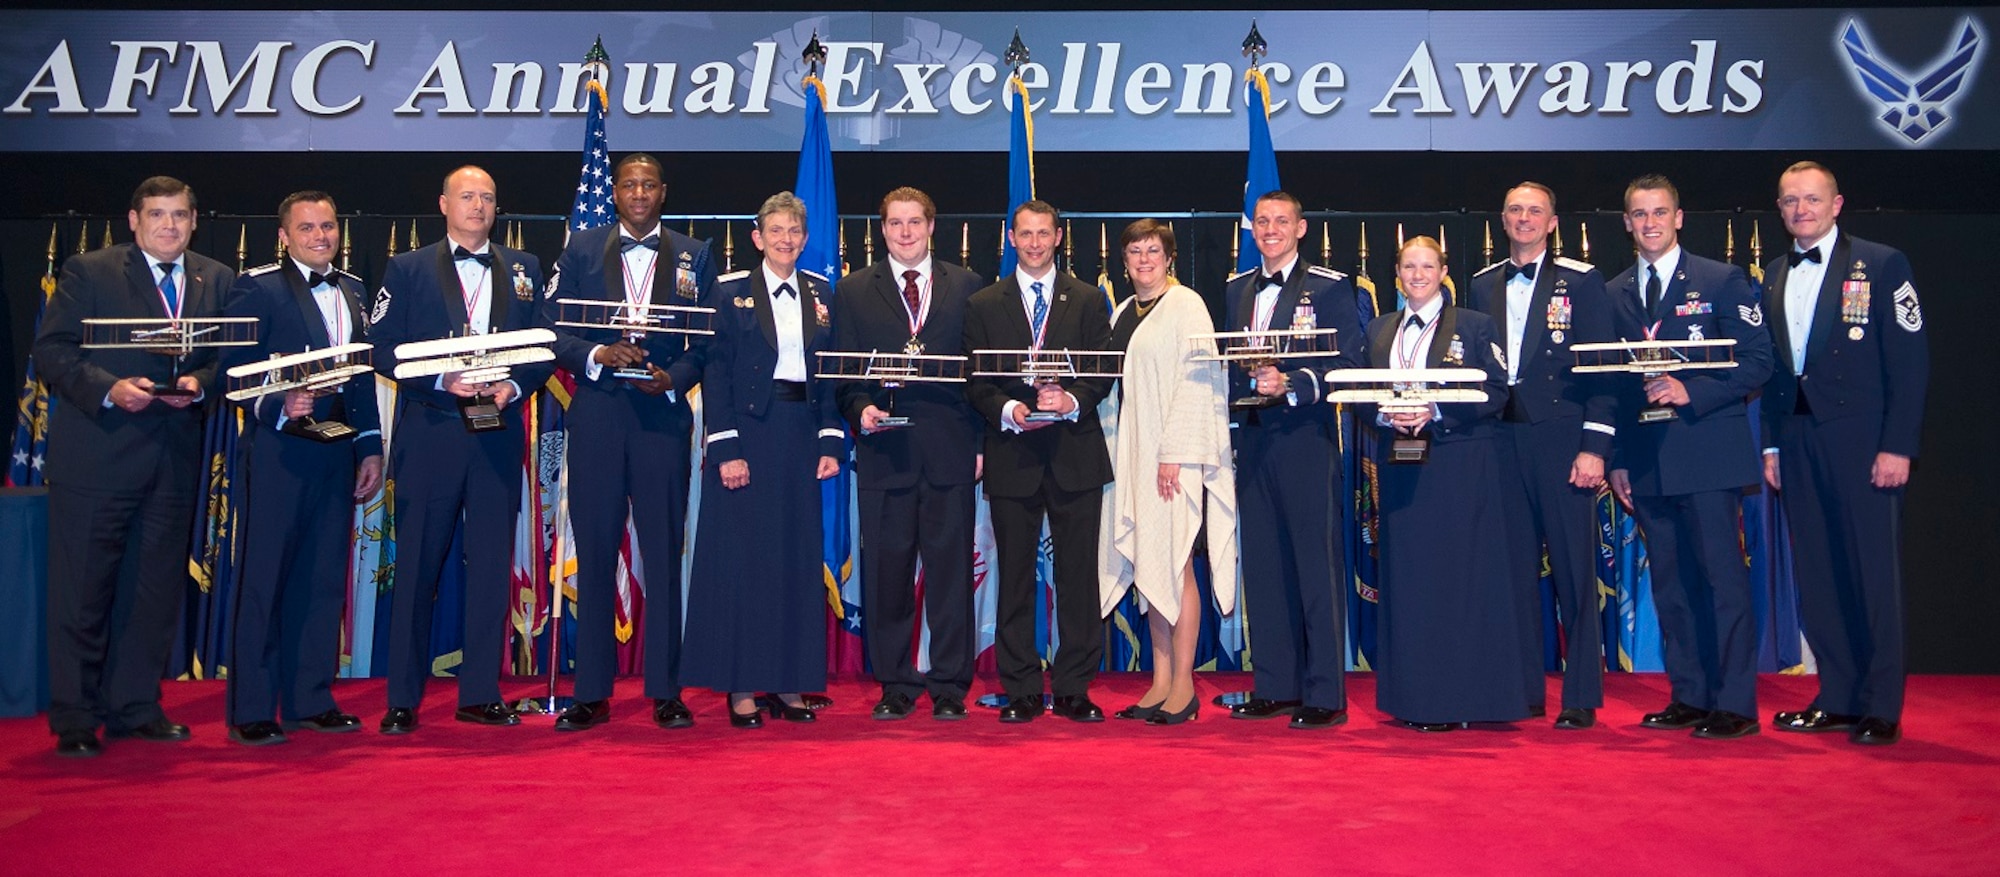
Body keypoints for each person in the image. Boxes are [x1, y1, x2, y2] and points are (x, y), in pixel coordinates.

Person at [33, 176, 236, 757]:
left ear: (194, 221)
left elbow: (227, 355)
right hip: (97, 457)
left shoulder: (215, 278)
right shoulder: (89, 271)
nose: (168, 225)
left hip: (172, 462)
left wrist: (204, 381)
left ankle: (136, 707)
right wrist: (109, 388)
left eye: (179, 215)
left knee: (152, 594)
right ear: (133, 220)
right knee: (83, 592)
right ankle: (75, 717)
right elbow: (52, 350)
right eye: (157, 215)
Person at [370, 166, 553, 734]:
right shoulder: (407, 267)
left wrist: (515, 384)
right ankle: (403, 696)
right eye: (467, 196)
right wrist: (440, 380)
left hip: (496, 435)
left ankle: (479, 692)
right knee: (419, 568)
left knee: (492, 571)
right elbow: (380, 348)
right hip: (432, 435)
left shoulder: (524, 268)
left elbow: (544, 344)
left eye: (488, 198)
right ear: (444, 202)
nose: (478, 206)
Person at [541, 153, 716, 732]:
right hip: (598, 417)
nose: (638, 192)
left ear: (663, 192)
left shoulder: (696, 254)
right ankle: (590, 691)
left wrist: (677, 380)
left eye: (648, 184)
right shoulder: (581, 249)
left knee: (664, 555)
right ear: (614, 193)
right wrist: (596, 354)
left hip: (662, 418)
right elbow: (552, 326)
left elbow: (710, 339)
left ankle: (667, 689)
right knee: (594, 554)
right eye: (628, 184)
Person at [1760, 161, 1928, 746]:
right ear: (1780, 211)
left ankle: (1881, 704)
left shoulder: (1883, 265)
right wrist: (1774, 443)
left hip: (1863, 444)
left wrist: (1897, 446)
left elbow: (1909, 367)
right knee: (1819, 570)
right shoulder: (1776, 273)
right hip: (1800, 442)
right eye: (1789, 201)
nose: (1800, 209)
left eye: (1811, 199)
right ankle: (1837, 695)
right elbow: (1777, 373)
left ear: (1837, 204)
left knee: (1871, 574)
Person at [1606, 175, 1775, 740]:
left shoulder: (1721, 279)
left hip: (1707, 453)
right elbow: (1616, 384)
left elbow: (1757, 361)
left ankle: (1735, 703)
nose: (1650, 222)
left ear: (1679, 217)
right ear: (1626, 223)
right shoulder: (1614, 292)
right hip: (1648, 459)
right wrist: (1618, 458)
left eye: (1660, 212)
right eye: (1639, 214)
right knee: (1672, 587)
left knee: (1721, 581)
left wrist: (1691, 389)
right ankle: (1690, 694)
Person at [219, 191, 383, 745]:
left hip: (336, 449)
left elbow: (362, 380)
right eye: (307, 227)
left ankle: (311, 698)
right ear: (284, 235)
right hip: (279, 451)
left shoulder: (355, 290)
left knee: (320, 580)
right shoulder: (258, 286)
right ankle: (253, 708)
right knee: (265, 579)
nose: (320, 236)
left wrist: (370, 448)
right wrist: (277, 404)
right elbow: (230, 372)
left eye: (329, 226)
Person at [681, 192, 843, 729]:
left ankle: (789, 682)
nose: (785, 240)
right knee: (743, 563)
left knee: (796, 560)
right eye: (775, 231)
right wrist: (726, 448)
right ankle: (742, 685)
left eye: (794, 231)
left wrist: (828, 441)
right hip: (748, 433)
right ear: (757, 238)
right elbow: (716, 372)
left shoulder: (821, 294)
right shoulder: (729, 293)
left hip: (800, 434)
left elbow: (828, 375)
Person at [831, 187, 985, 721]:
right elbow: (845, 375)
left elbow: (980, 374)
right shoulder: (852, 291)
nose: (905, 232)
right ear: (882, 229)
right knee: (887, 576)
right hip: (885, 451)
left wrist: (982, 444)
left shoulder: (968, 286)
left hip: (950, 450)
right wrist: (859, 411)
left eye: (914, 222)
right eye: (895, 223)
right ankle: (895, 682)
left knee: (949, 578)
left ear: (931, 226)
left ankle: (949, 685)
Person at [1466, 181, 1615, 729]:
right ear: (1503, 220)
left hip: (1562, 442)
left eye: (1535, 211)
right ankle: (1521, 689)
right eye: (1515, 211)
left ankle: (1580, 695)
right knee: (1511, 572)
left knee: (1575, 570)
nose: (1524, 219)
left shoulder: (1582, 281)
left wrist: (1595, 447)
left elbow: (1602, 371)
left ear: (1552, 222)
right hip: (1501, 444)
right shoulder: (1480, 285)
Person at [1363, 236, 1527, 732]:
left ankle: (1462, 699)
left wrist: (1433, 410)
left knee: (1458, 583)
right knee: (1409, 585)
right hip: (1400, 469)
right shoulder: (1378, 329)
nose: (1417, 274)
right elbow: (1361, 391)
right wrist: (1388, 414)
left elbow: (1496, 392)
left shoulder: (1475, 326)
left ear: (1444, 271)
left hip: (1458, 470)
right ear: (1396, 273)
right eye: (1408, 266)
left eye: (1427, 265)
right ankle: (1416, 699)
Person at [962, 199, 1115, 723]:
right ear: (1010, 237)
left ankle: (1074, 688)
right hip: (1013, 455)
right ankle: (1022, 687)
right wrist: (1009, 408)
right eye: (1024, 234)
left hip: (1075, 455)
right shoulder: (984, 303)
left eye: (1042, 234)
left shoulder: (1091, 299)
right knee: (1017, 579)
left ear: (1058, 238)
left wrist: (1071, 400)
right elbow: (975, 380)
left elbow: (1102, 372)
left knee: (1077, 579)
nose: (1033, 243)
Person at [1222, 190, 1367, 730]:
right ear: (1251, 229)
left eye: (1282, 221)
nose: (1271, 229)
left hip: (1307, 439)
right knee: (1263, 566)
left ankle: (1325, 693)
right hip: (1253, 440)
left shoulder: (1329, 287)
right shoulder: (1237, 288)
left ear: (1301, 229)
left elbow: (1349, 362)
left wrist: (1295, 384)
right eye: (1262, 222)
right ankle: (1275, 684)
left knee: (1315, 566)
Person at [1096, 219, 1236, 726]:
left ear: (1169, 256)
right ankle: (1158, 680)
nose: (1144, 259)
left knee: (1175, 562)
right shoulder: (1121, 313)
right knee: (1150, 563)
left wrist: (1174, 452)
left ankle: (1184, 684)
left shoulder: (1186, 305)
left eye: (1153, 250)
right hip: (1134, 458)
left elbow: (1199, 383)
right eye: (1135, 251)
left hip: (1172, 460)